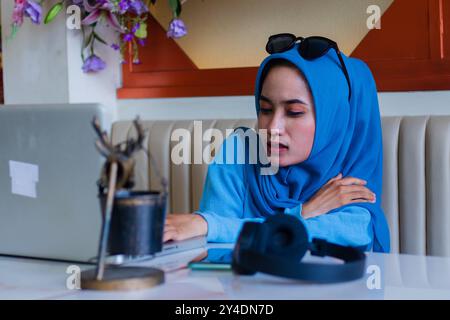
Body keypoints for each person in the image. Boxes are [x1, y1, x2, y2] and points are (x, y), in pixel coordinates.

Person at [164, 35, 390, 252]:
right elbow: (215, 251)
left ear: (334, 120)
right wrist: (302, 214)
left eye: (294, 112)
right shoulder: (239, 152)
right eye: (265, 109)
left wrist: (211, 225)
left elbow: (354, 234)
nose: (272, 128)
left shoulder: (351, 177)